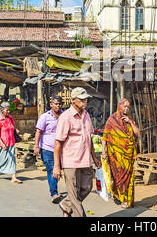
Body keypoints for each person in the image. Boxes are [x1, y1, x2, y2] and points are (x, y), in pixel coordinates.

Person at [53, 87, 101, 217]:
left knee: (86, 187)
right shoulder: (65, 117)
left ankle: (66, 205)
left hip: (85, 159)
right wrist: (57, 166)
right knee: (74, 193)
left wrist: (94, 157)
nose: (85, 101)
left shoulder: (86, 115)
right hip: (71, 160)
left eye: (85, 99)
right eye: (82, 99)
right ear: (73, 100)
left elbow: (89, 138)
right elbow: (57, 143)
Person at [101, 98, 140, 209]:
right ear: (119, 106)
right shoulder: (111, 120)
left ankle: (128, 200)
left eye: (128, 107)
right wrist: (104, 152)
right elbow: (105, 137)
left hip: (129, 155)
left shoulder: (130, 120)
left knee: (128, 177)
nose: (126, 108)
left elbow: (138, 134)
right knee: (118, 176)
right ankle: (121, 198)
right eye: (125, 106)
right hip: (116, 155)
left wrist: (131, 122)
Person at [34, 95, 65, 204]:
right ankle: (54, 193)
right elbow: (38, 131)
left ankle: (53, 188)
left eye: (60, 104)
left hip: (62, 149)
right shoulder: (45, 117)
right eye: (56, 104)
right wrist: (36, 146)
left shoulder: (64, 115)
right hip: (47, 148)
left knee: (59, 169)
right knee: (52, 169)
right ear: (51, 105)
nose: (58, 106)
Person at [0, 102, 22, 184]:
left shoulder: (10, 118)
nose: (8, 112)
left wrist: (16, 129)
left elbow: (12, 126)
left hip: (11, 142)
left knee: (12, 160)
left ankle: (13, 177)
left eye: (9, 110)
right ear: (2, 111)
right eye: (7, 110)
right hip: (1, 144)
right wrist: (2, 144)